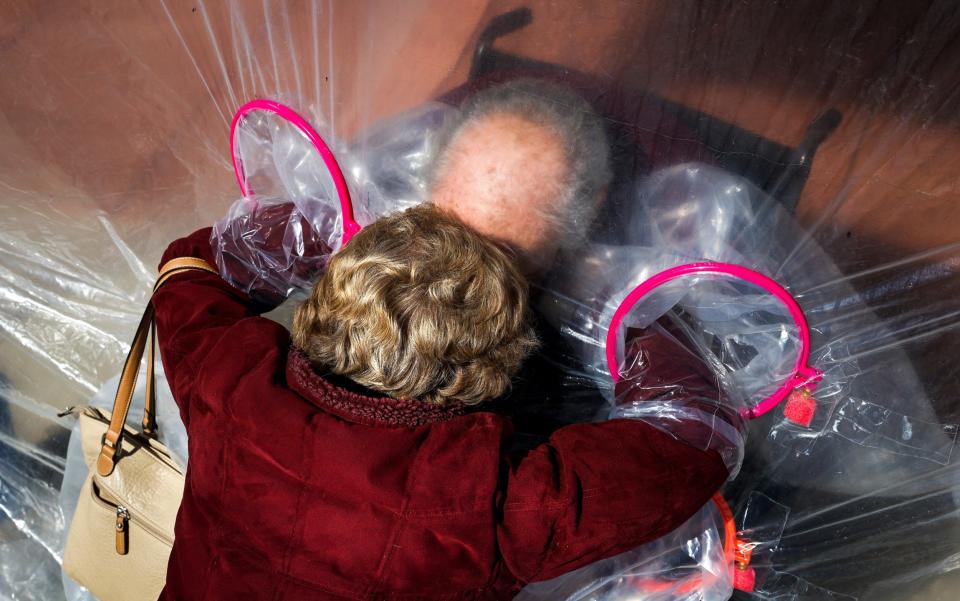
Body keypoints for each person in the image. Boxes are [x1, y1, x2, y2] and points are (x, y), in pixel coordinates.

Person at [153, 204, 728, 599]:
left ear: (328, 295)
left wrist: (326, 226)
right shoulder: (492, 506)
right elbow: (692, 442)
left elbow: (189, 269)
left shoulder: (225, 383)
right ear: (492, 370)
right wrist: (621, 303)